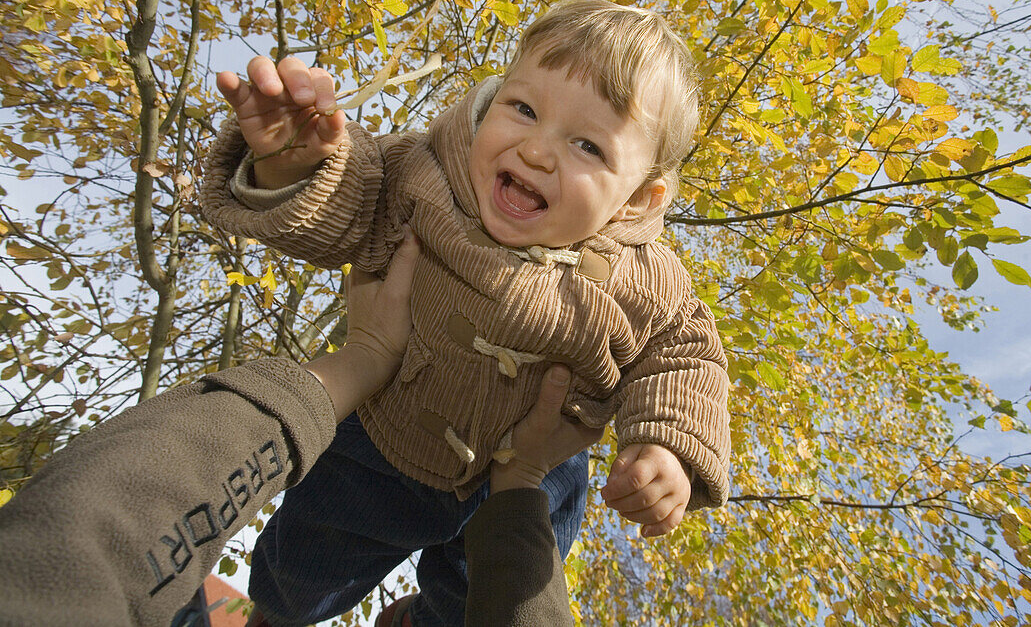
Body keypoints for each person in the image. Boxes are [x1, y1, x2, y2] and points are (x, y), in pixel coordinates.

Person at [200, 0, 731, 626]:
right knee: (307, 562)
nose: (536, 150)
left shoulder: (646, 281)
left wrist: (666, 450)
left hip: (533, 477)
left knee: (485, 600)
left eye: (588, 145)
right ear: (492, 98)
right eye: (524, 108)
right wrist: (291, 162)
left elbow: (686, 356)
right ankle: (273, 616)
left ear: (637, 198)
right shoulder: (421, 174)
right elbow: (348, 199)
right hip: (383, 439)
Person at [0, 232, 598, 626]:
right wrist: (676, 450)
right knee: (326, 563)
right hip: (455, 435)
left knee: (303, 570)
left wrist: (359, 361)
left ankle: (279, 612)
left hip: (395, 424)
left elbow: (83, 546)